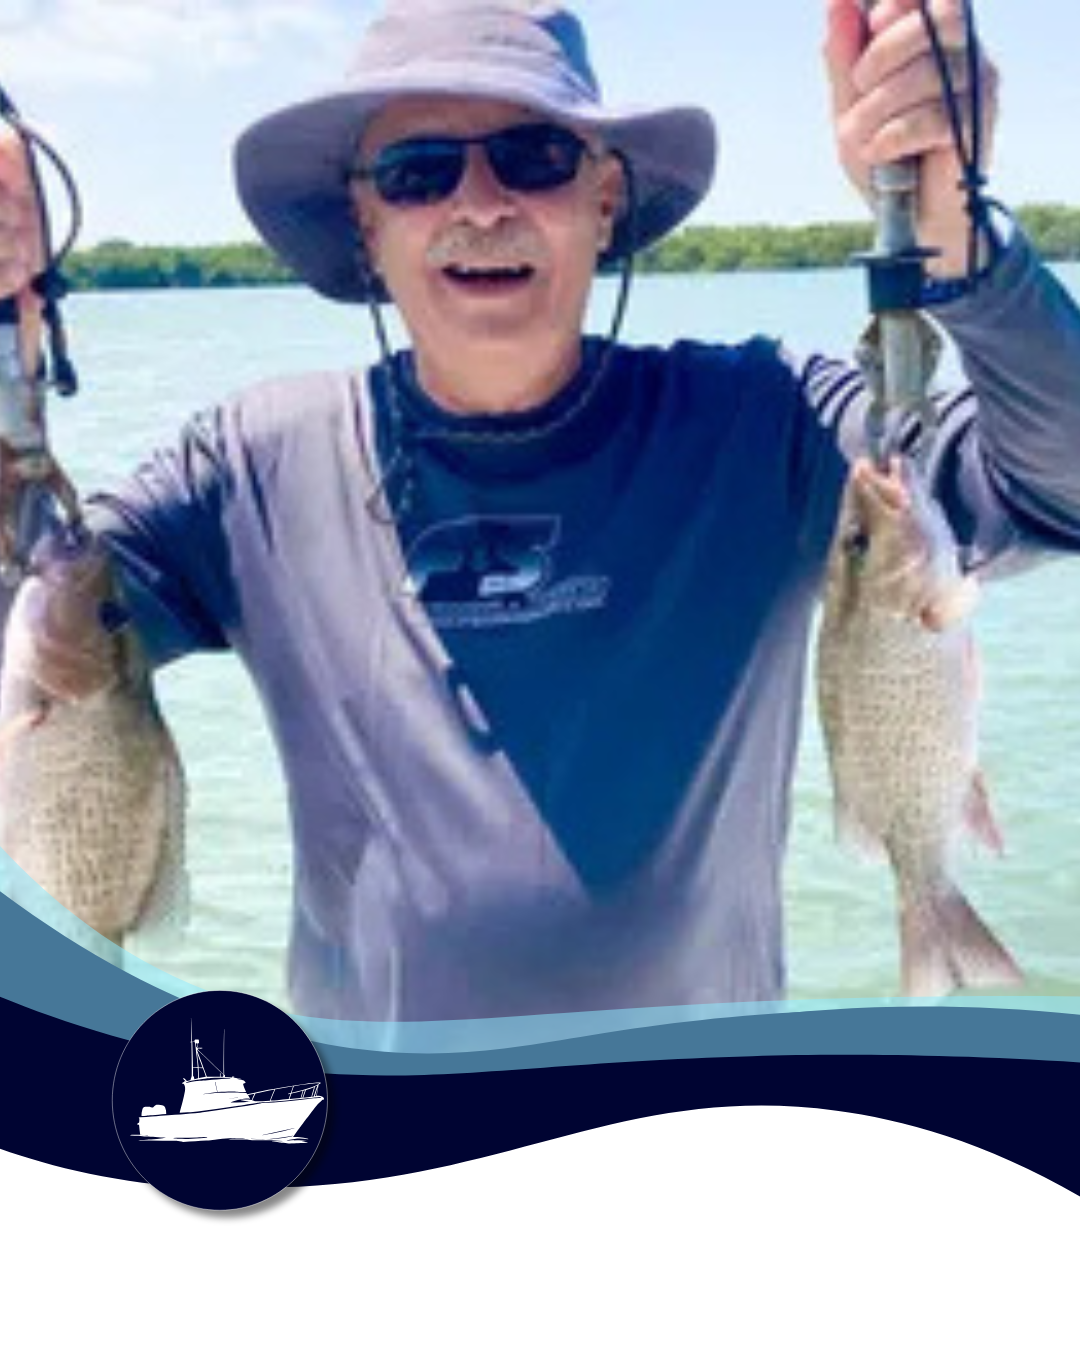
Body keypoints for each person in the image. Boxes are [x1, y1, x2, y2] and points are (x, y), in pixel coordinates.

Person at [2, 0, 1080, 1022]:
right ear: (365, 222)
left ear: (605, 199)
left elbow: (1053, 483)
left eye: (534, 156)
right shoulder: (246, 467)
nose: (481, 204)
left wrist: (959, 243)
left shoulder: (768, 421)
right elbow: (35, 615)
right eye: (420, 172)